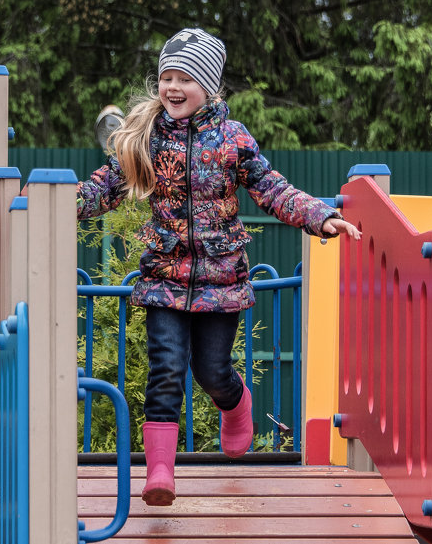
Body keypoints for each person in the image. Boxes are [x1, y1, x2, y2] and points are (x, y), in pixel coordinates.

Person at [77, 28, 361, 506]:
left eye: (184, 78)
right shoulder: (146, 138)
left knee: (211, 371)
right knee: (165, 370)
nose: (172, 87)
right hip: (164, 278)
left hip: (220, 281)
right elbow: (104, 187)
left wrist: (321, 216)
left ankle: (237, 403)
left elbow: (271, 187)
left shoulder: (232, 139)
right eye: (166, 76)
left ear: (207, 86)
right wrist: (54, 201)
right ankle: (159, 473)